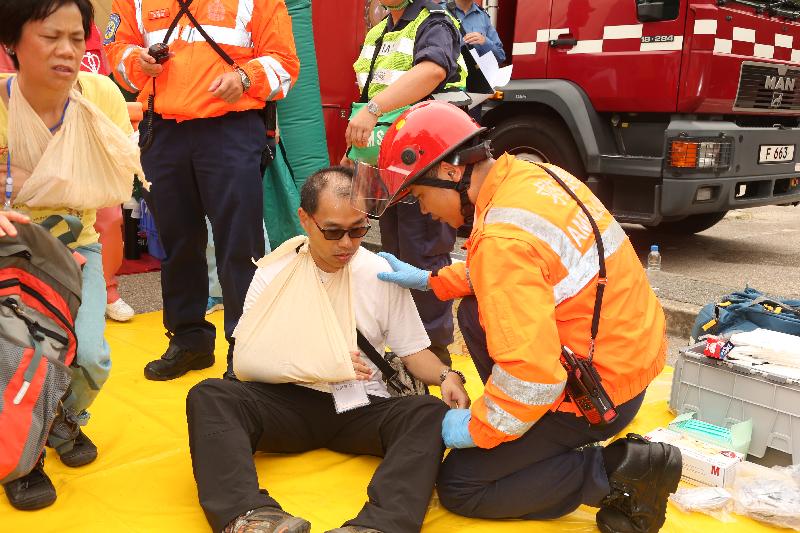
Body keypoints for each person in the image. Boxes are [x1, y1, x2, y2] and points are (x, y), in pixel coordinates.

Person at [352, 101, 683, 533]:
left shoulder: (501, 238)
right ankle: (530, 427)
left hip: (597, 396)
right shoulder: (535, 176)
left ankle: (619, 474)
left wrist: (477, 427)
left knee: (462, 484)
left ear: (452, 171)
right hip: (626, 361)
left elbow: (534, 376)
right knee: (474, 312)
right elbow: (526, 268)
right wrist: (433, 281)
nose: (426, 211)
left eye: (419, 195)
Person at [186, 165, 470, 533]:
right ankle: (249, 516)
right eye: (333, 232)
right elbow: (246, 362)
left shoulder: (378, 272)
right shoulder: (274, 272)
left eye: (358, 230)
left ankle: (380, 526)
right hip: (289, 402)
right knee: (210, 396)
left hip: (361, 405)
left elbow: (414, 352)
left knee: (426, 412)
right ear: (305, 219)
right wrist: (320, 363)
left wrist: (449, 376)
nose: (347, 244)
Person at [105, 0, 299, 380]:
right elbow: (118, 50)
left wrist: (245, 78)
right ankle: (189, 340)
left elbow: (285, 64)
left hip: (231, 129)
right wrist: (137, 62)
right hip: (163, 131)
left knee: (239, 246)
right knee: (177, 244)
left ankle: (245, 349)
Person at [0, 0, 141, 510]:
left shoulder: (98, 94)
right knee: (22, 357)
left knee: (92, 356)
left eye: (77, 38)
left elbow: (111, 181)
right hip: (10, 253)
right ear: (13, 42)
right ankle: (24, 454)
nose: (67, 51)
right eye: (50, 37)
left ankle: (63, 417)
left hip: (73, 248)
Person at [343, 0, 468, 367]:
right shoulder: (379, 31)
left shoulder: (435, 23)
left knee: (423, 253)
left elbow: (431, 72)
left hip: (425, 161)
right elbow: (367, 99)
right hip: (387, 162)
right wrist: (354, 152)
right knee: (394, 255)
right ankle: (405, 347)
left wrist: (373, 110)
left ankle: (433, 355)